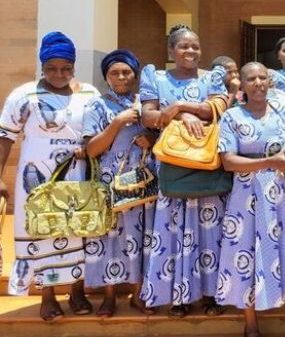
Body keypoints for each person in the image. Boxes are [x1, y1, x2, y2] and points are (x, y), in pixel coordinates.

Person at [0, 31, 99, 320]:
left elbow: (97, 132)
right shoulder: (24, 95)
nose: (59, 74)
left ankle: (77, 292)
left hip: (78, 179)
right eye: (52, 68)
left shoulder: (89, 94)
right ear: (42, 66)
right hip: (37, 181)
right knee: (42, 233)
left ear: (74, 66)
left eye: (66, 68)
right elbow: (5, 136)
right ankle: (47, 296)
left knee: (80, 233)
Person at [216, 62, 285, 337]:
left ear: (269, 82)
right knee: (247, 251)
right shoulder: (232, 117)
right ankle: (250, 325)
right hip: (246, 197)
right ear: (243, 84)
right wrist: (269, 162)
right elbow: (228, 161)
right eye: (252, 79)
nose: (259, 83)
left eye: (263, 77)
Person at [138, 24, 229, 317]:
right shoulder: (156, 77)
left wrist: (177, 106)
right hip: (172, 164)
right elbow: (148, 116)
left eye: (195, 47)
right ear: (170, 51)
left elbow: (217, 109)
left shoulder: (212, 77)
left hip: (206, 162)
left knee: (210, 231)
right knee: (174, 231)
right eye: (183, 47)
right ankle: (180, 297)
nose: (191, 51)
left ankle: (212, 295)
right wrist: (186, 115)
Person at [82, 50, 156, 317]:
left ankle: (138, 295)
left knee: (140, 236)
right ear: (106, 77)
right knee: (108, 237)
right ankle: (109, 296)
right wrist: (116, 124)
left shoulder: (146, 104)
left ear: (135, 75)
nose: (122, 77)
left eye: (126, 72)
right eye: (115, 73)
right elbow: (91, 149)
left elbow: (160, 135)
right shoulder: (97, 106)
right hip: (109, 180)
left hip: (142, 179)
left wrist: (150, 136)